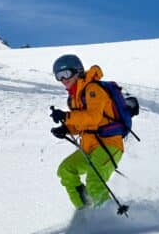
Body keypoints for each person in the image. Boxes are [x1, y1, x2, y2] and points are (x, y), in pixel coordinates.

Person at [49, 54, 123, 210]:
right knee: (66, 170)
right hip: (90, 147)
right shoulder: (74, 97)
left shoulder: (93, 89)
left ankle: (108, 221)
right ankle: (85, 211)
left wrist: (67, 116)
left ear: (77, 71)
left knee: (94, 181)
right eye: (59, 76)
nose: (63, 79)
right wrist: (66, 129)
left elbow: (93, 118)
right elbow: (83, 125)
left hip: (109, 145)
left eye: (66, 74)